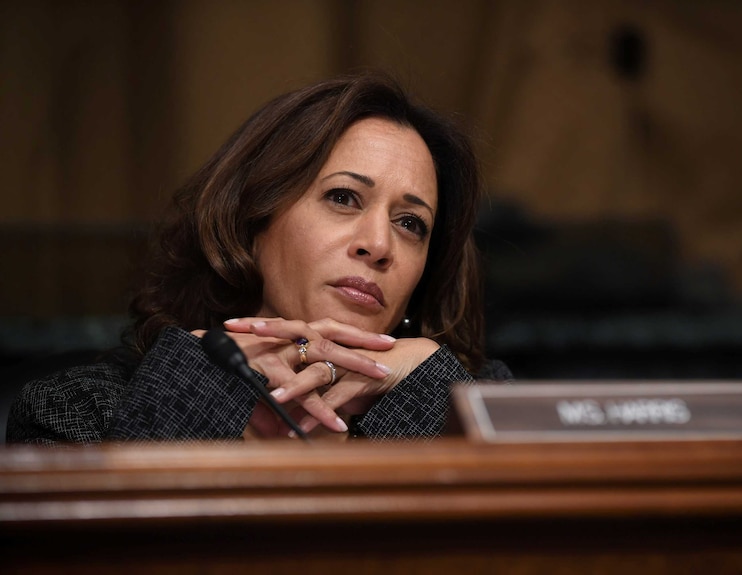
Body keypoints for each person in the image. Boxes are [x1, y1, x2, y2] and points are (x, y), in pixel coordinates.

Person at [7, 72, 512, 444]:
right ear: (252, 221)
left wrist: (435, 399)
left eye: (410, 224)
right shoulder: (77, 411)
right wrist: (199, 388)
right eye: (342, 197)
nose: (379, 245)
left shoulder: (483, 404)